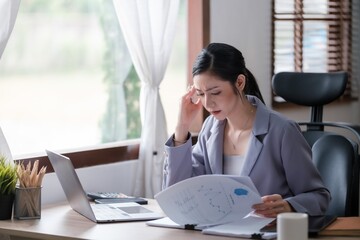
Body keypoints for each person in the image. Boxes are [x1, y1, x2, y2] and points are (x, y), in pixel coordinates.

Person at [162, 42, 330, 218]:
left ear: (240, 82)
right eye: (201, 94)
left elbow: (319, 197)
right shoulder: (210, 128)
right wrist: (181, 127)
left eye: (216, 92)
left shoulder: (282, 131)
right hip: (220, 232)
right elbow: (177, 195)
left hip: (268, 233)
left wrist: (289, 206)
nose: (207, 103)